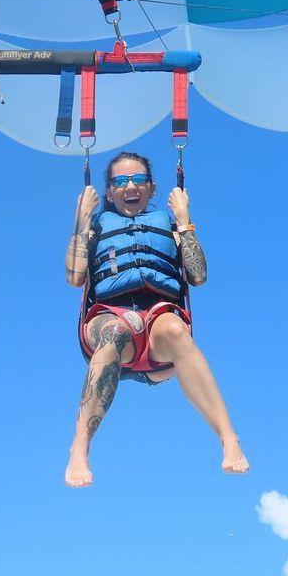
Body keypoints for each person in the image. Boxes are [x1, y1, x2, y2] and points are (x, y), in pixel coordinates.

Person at [64, 151, 249, 487]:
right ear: (109, 192)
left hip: (158, 325)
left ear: (151, 188)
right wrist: (81, 219)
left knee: (176, 329)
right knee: (116, 332)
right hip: (110, 315)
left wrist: (184, 219)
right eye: (120, 181)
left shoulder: (169, 222)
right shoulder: (96, 224)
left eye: (138, 180)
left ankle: (228, 438)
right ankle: (79, 448)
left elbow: (198, 276)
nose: (129, 186)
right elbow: (75, 277)